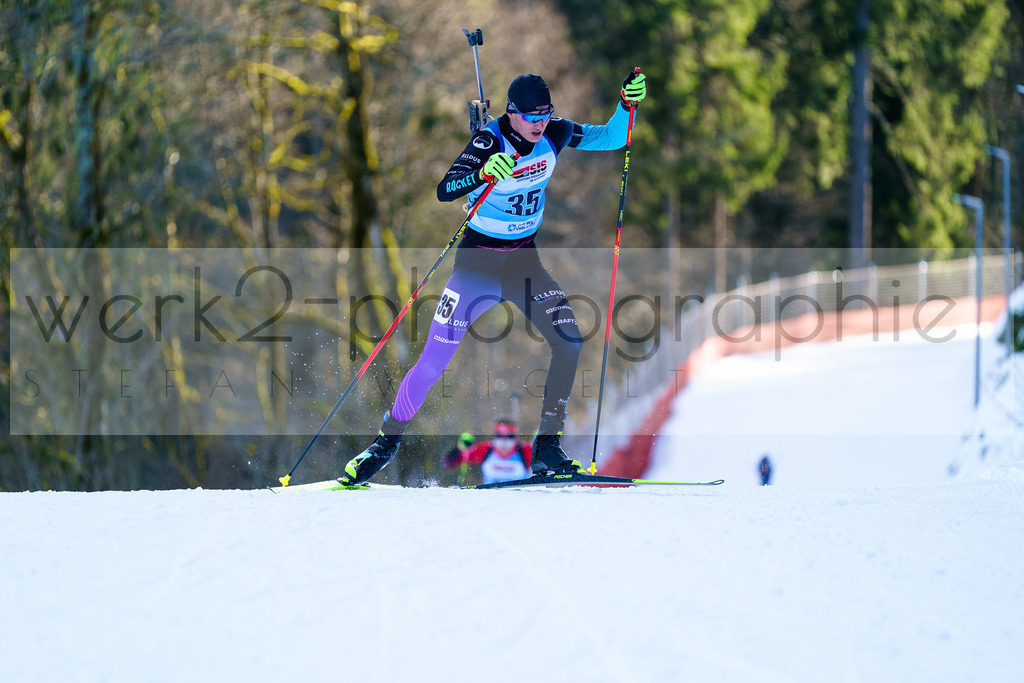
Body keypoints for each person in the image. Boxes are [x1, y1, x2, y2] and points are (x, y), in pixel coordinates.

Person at [340, 69, 648, 486]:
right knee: (432, 363)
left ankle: (547, 448)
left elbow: (613, 137)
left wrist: (626, 106)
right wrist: (484, 173)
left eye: (546, 113)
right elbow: (446, 189)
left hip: (524, 264)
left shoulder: (556, 132)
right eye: (532, 115)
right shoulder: (489, 141)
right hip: (477, 266)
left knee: (570, 342)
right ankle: (384, 444)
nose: (540, 122)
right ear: (512, 112)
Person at [443, 419, 533, 485]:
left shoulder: (526, 451)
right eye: (499, 436)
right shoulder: (485, 449)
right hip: (491, 500)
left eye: (509, 437)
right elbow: (448, 463)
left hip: (518, 500)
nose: (504, 443)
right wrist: (459, 448)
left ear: (516, 438)